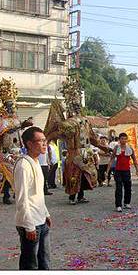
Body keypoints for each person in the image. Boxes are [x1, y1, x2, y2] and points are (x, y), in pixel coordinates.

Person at [45, 75, 108, 205]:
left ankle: (79, 196)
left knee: (82, 176)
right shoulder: (77, 122)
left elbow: (92, 139)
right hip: (76, 153)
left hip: (81, 152)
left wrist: (104, 148)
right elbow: (92, 139)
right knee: (76, 175)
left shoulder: (80, 122)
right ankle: (73, 197)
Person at [0, 78, 33, 205]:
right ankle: (6, 196)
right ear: (5, 106)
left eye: (13, 105)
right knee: (6, 176)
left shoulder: (16, 119)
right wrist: (20, 125)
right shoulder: (0, 121)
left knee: (19, 175)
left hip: (18, 151)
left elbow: (18, 130)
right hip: (6, 153)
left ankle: (18, 194)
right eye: (9, 105)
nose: (12, 108)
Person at [14, 126, 51, 270]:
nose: (44, 144)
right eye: (40, 141)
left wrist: (46, 213)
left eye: (45, 140)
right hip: (30, 224)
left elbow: (37, 195)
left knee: (45, 262)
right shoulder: (23, 165)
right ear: (29, 144)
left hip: (41, 220)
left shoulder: (36, 162)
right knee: (30, 265)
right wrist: (29, 226)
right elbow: (22, 199)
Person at [106, 132, 138, 212]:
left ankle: (127, 203)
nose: (123, 140)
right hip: (117, 171)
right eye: (122, 139)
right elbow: (111, 160)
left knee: (128, 187)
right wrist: (107, 171)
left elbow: (135, 160)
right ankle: (118, 205)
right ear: (119, 139)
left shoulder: (130, 148)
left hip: (127, 171)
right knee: (118, 188)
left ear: (127, 139)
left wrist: (137, 170)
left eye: (125, 139)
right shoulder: (116, 148)